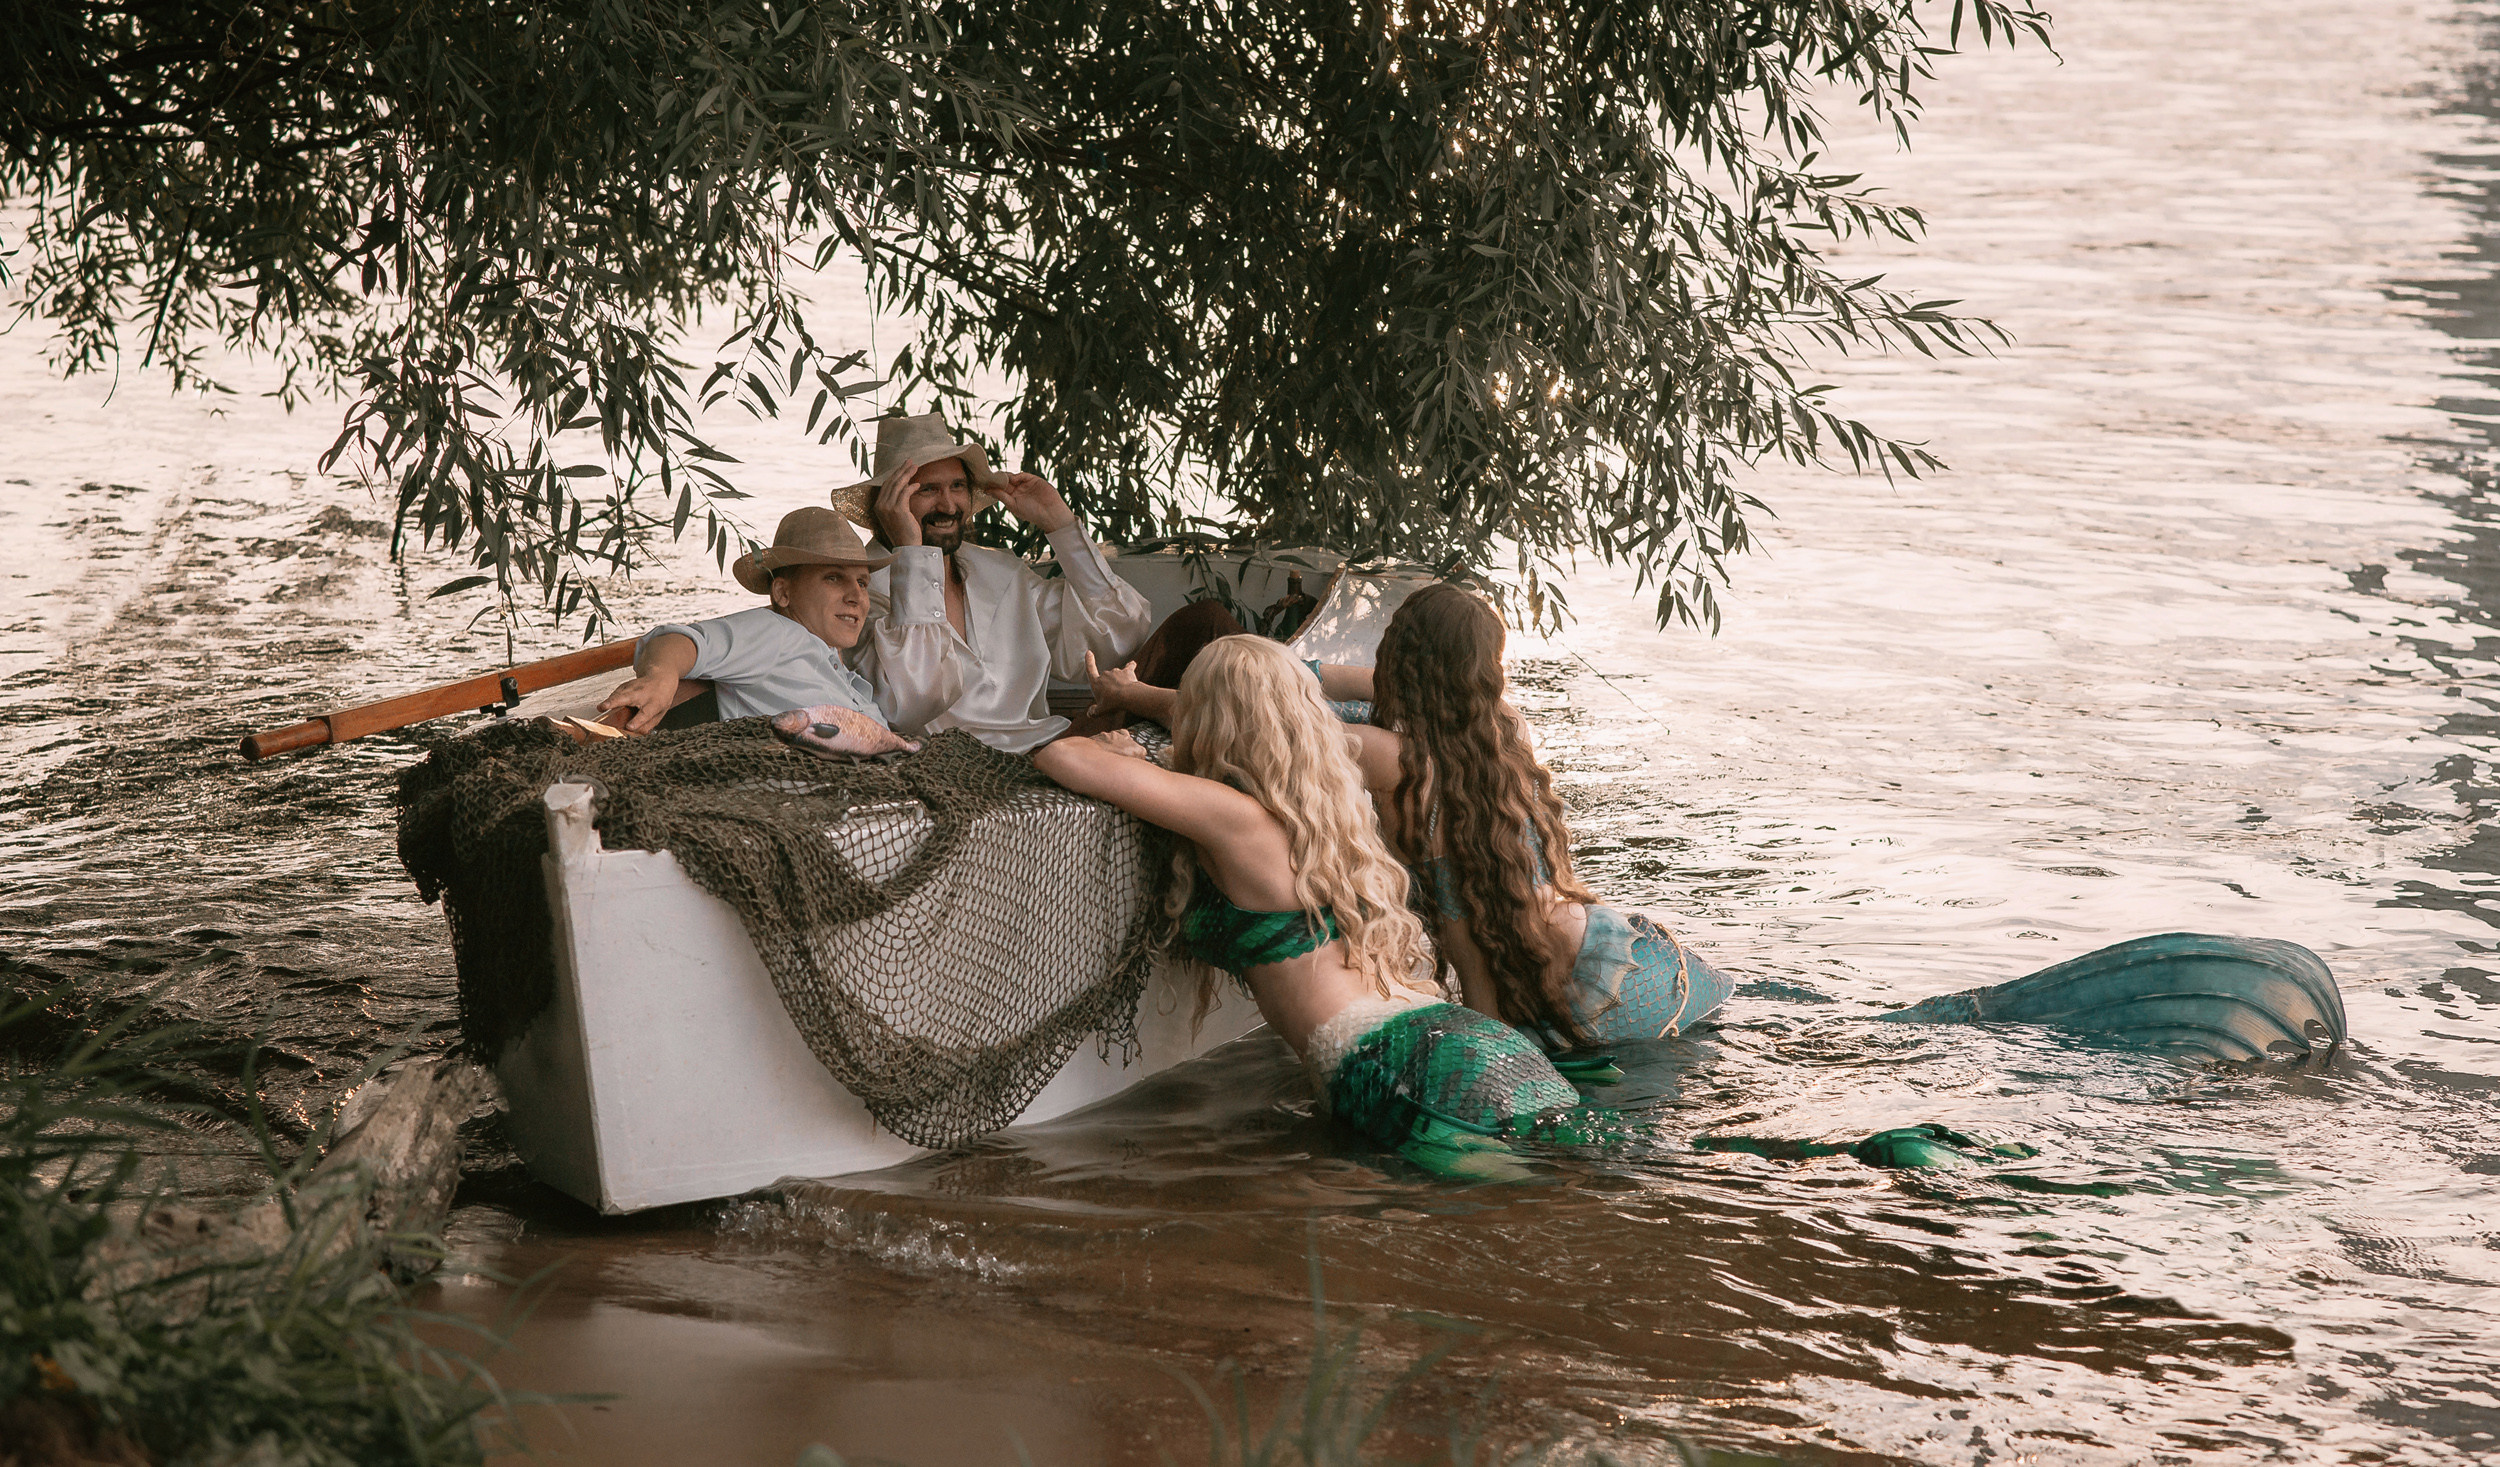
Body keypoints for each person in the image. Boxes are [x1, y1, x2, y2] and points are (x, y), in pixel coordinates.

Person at [1033, 635, 1619, 1178]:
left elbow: (1061, 759)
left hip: (1393, 1067)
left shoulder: (1235, 817)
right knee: (1593, 1176)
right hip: (1461, 1042)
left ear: (1207, 718)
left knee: (1539, 1205)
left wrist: (1123, 749)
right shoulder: (1328, 814)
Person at [1355, 583, 1735, 1051]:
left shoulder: (1386, 755)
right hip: (1640, 968)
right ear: (1484, 671)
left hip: (1581, 999)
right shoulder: (1506, 728)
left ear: (1397, 657)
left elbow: (1279, 718)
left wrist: (1349, 677)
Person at [842, 412, 1178, 753]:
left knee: (1199, 623)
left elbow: (1115, 638)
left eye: (957, 486)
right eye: (927, 489)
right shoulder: (859, 589)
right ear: (887, 503)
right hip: (956, 763)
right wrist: (911, 555)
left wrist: (1060, 525)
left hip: (1051, 742)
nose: (947, 505)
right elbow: (907, 705)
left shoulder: (1000, 570)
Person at [597, 506, 916, 755]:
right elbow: (676, 640)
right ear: (782, 593)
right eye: (833, 577)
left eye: (861, 582)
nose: (855, 596)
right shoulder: (776, 633)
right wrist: (661, 677)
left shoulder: (833, 663)